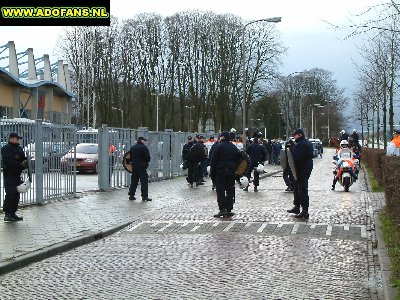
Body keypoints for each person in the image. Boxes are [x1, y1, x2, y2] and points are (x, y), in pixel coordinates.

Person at [210, 131, 240, 218]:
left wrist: (212, 174)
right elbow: (238, 159)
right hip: (231, 171)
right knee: (230, 190)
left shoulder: (218, 147)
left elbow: (213, 161)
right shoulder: (234, 147)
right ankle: (229, 208)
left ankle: (222, 209)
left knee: (220, 190)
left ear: (222, 137)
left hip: (221, 171)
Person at [286, 128, 314, 219]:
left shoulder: (302, 144)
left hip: (302, 169)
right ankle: (297, 206)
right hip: (304, 168)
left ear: (300, 135)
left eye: (295, 135)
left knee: (302, 189)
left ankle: (304, 211)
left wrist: (292, 149)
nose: (294, 137)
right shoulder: (306, 143)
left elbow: (297, 157)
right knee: (297, 187)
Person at [1, 132, 28, 222]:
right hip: (9, 175)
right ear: (11, 138)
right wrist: (21, 165)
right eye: (17, 139)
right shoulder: (6, 149)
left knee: (16, 194)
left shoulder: (19, 148)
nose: (18, 140)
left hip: (17, 175)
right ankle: (7, 214)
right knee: (10, 194)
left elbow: (23, 159)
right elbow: (9, 162)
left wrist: (26, 162)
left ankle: (13, 213)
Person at [128, 136, 152, 201]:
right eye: (143, 140)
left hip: (134, 167)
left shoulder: (133, 147)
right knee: (144, 181)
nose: (144, 141)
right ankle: (144, 196)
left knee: (134, 182)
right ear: (141, 140)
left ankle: (131, 195)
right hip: (142, 167)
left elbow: (129, 157)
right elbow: (148, 157)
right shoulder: (143, 147)